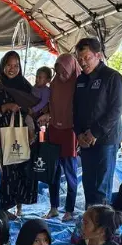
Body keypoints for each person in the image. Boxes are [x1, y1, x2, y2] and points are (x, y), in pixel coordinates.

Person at [0, 51, 39, 220]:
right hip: (6, 134)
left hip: (25, 134)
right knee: (8, 171)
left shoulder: (26, 86)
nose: (12, 69)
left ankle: (20, 205)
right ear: (3, 66)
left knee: (25, 168)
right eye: (9, 65)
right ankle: (6, 207)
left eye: (16, 65)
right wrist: (4, 108)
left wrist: (33, 125)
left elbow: (35, 109)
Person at [73, 37, 122, 206]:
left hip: (105, 140)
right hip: (85, 140)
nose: (83, 63)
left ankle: (102, 228)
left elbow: (116, 110)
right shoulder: (80, 80)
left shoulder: (112, 77)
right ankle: (90, 224)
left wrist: (95, 132)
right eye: (80, 59)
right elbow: (75, 110)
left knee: (102, 187)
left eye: (87, 58)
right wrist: (79, 133)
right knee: (88, 184)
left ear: (98, 56)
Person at [42, 54, 80, 221]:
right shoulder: (54, 84)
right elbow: (49, 104)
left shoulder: (78, 83)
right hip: (54, 130)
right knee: (53, 171)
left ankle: (70, 210)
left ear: (72, 68)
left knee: (70, 172)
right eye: (58, 71)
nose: (62, 75)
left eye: (65, 71)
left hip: (70, 132)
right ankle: (54, 207)